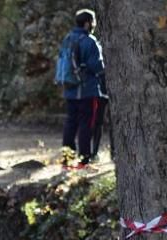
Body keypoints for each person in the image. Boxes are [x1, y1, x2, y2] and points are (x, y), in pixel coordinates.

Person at [58, 9, 107, 166]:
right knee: (87, 123)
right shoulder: (89, 41)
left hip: (69, 89)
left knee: (71, 122)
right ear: (87, 23)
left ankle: (67, 156)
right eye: (92, 22)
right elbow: (97, 67)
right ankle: (85, 157)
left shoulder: (67, 39)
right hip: (87, 90)